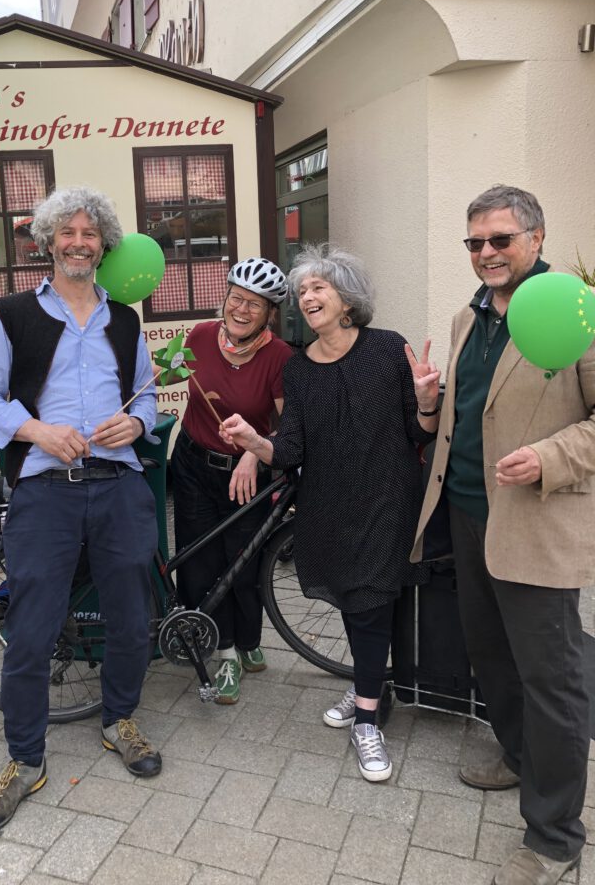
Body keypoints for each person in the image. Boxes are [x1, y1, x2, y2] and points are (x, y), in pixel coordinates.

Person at [410, 185, 594, 885]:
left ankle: (553, 837)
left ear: (537, 239)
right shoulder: (467, 319)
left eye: (500, 240)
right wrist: (429, 408)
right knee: (493, 660)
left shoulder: (578, 313)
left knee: (554, 682)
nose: (486, 253)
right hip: (465, 514)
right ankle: (519, 758)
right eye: (475, 242)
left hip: (537, 524)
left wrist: (548, 458)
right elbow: (467, 416)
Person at [0, 185, 162, 835]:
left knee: (134, 617)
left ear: (104, 244)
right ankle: (25, 761)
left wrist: (135, 425)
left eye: (90, 233)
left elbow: (147, 400)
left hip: (119, 487)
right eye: (67, 232)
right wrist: (37, 431)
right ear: (48, 242)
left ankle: (119, 720)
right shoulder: (15, 312)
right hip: (46, 490)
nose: (79, 242)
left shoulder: (125, 319)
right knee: (30, 631)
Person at [221, 244, 438, 782]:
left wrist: (427, 398)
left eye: (319, 286)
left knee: (367, 602)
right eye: (302, 290)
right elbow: (290, 450)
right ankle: (371, 683)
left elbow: (421, 433)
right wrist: (254, 440)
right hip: (326, 504)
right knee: (350, 598)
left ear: (347, 300)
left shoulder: (389, 350)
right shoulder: (298, 371)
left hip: (387, 499)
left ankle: (367, 717)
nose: (307, 295)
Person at [172, 258, 292, 703]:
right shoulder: (201, 336)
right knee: (200, 559)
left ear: (269, 314)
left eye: (255, 305)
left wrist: (253, 452)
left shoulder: (279, 357)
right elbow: (182, 380)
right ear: (225, 297)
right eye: (236, 298)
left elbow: (292, 426)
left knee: (242, 562)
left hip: (245, 475)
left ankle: (247, 640)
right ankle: (224, 653)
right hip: (192, 465)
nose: (242, 310)